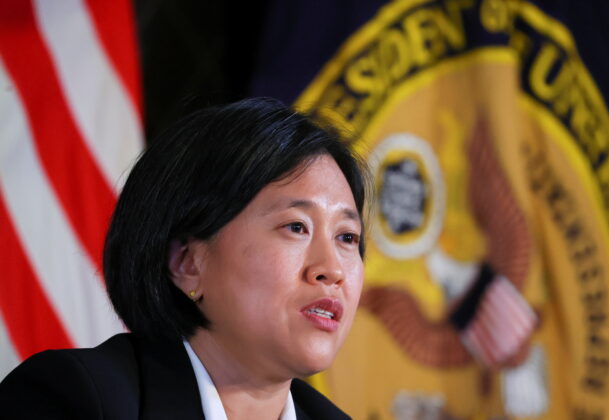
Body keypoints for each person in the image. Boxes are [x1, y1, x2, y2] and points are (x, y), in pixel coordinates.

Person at [0, 97, 368, 419]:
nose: (332, 269)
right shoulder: (79, 401)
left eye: (347, 237)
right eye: (296, 227)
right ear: (188, 264)